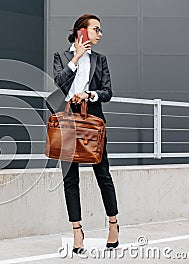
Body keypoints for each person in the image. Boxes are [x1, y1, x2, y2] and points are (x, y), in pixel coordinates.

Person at [45, 14, 119, 254]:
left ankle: (113, 224)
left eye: (99, 29)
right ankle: (77, 231)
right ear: (81, 32)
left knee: (102, 174)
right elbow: (59, 81)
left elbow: (108, 91)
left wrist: (89, 95)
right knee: (70, 179)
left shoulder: (100, 59)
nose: (100, 33)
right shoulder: (62, 57)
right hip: (67, 121)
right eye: (96, 29)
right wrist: (76, 58)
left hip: (93, 121)